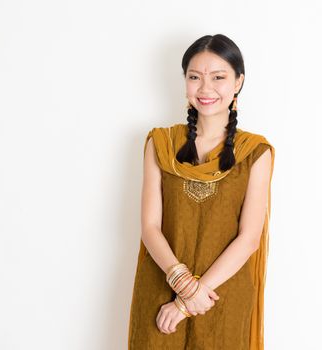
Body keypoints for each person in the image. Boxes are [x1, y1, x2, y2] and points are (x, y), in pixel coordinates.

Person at [128, 33, 275, 350]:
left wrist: (190, 299)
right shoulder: (161, 143)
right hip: (160, 290)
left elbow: (249, 238)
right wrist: (181, 282)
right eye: (195, 77)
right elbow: (150, 226)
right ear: (185, 82)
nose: (206, 88)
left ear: (238, 82)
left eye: (218, 77)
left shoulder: (255, 152)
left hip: (221, 295)